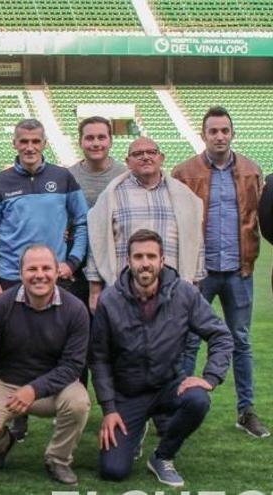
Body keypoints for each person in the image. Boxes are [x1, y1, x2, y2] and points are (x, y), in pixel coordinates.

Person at [91, 229, 233, 487]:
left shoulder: (184, 294)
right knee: (113, 470)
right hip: (129, 394)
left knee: (198, 399)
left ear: (162, 260)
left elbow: (220, 335)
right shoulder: (109, 300)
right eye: (138, 256)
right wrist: (109, 409)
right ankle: (135, 430)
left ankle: (162, 456)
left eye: (151, 256)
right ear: (128, 260)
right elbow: (98, 358)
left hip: (168, 386)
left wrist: (210, 378)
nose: (145, 263)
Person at [0, 118, 88, 441]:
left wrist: (72, 261)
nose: (30, 147)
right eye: (23, 141)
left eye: (36, 141)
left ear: (44, 144)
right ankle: (17, 416)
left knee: (57, 346)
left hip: (52, 279)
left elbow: (82, 222)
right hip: (12, 279)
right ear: (14, 144)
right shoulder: (1, 183)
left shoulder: (63, 178)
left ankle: (65, 411)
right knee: (13, 349)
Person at [172, 106, 269, 438]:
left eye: (224, 130)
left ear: (232, 134)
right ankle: (179, 406)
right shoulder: (184, 172)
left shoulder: (252, 172)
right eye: (213, 131)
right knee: (188, 341)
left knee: (240, 340)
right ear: (203, 135)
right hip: (199, 272)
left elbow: (260, 219)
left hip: (238, 271)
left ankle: (246, 410)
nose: (219, 136)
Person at [0, 244, 90, 485]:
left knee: (79, 403)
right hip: (6, 383)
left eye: (46, 268)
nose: (39, 274)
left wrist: (34, 389)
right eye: (32, 268)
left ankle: (58, 459)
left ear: (57, 272)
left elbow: (73, 366)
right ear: (20, 273)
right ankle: (2, 445)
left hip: (53, 389)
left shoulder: (76, 310)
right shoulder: (2, 305)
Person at [86, 136, 205, 313]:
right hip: (125, 292)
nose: (145, 157)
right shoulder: (112, 195)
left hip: (172, 292)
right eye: (138, 154)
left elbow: (196, 241)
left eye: (151, 152)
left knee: (173, 340)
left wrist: (195, 284)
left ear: (161, 158)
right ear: (128, 162)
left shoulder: (183, 196)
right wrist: (95, 290)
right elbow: (97, 241)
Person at [66, 116, 127, 306]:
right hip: (77, 262)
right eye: (89, 138)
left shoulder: (125, 176)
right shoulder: (68, 176)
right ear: (80, 142)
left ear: (110, 140)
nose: (96, 143)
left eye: (101, 137)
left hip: (115, 261)